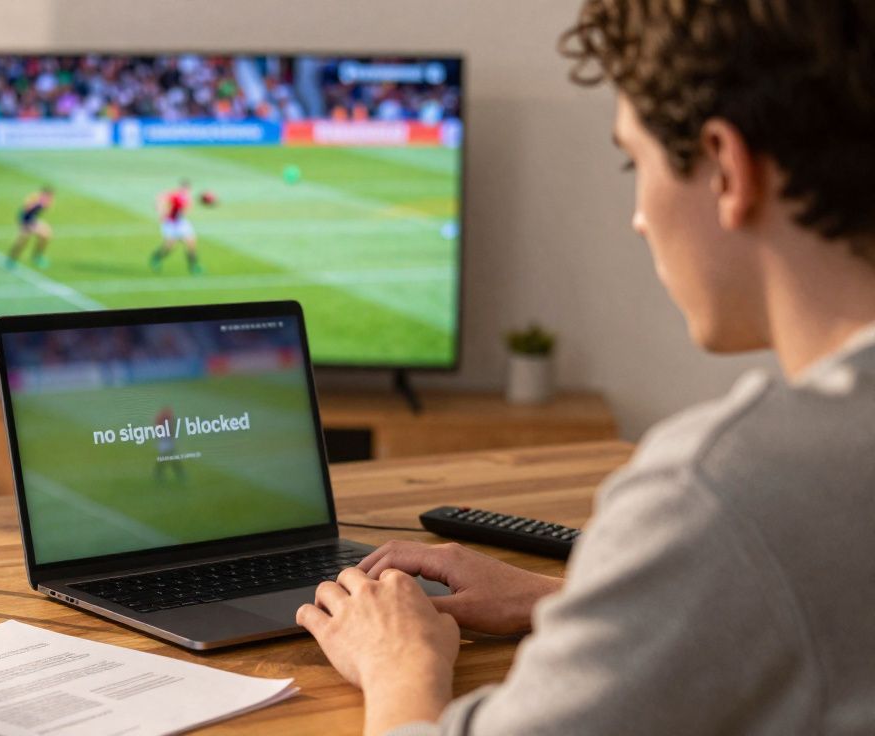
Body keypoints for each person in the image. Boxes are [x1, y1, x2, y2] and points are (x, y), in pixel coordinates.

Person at [295, 2, 875, 734]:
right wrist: (561, 604)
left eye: (636, 161)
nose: (637, 216)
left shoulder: (719, 487)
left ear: (727, 167)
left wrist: (397, 659)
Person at [149, 179, 203, 275]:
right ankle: (156, 257)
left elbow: (185, 210)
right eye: (184, 189)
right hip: (170, 223)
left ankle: (194, 267)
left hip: (181, 223)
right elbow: (160, 197)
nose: (186, 191)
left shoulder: (188, 198)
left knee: (191, 244)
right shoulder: (175, 195)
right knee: (169, 246)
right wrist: (160, 210)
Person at [7, 185, 54, 270]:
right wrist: (37, 204)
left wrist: (44, 205)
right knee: (22, 242)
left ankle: (37, 256)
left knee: (46, 235)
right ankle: (11, 260)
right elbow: (26, 209)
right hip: (25, 221)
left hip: (32, 221)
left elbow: (43, 209)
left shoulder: (45, 201)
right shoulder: (34, 197)